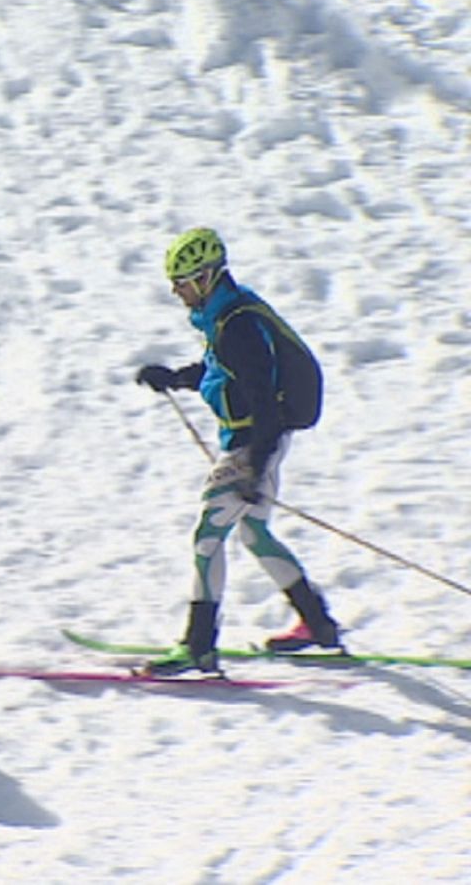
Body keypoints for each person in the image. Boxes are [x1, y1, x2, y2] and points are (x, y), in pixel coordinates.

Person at [134, 227, 341, 676]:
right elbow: (219, 373)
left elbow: (263, 402)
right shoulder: (225, 314)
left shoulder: (237, 327)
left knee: (208, 539)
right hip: (258, 443)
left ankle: (197, 647)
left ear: (207, 277)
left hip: (253, 446)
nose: (177, 291)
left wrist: (253, 468)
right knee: (254, 535)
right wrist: (173, 378)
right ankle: (318, 626)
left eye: (183, 281)